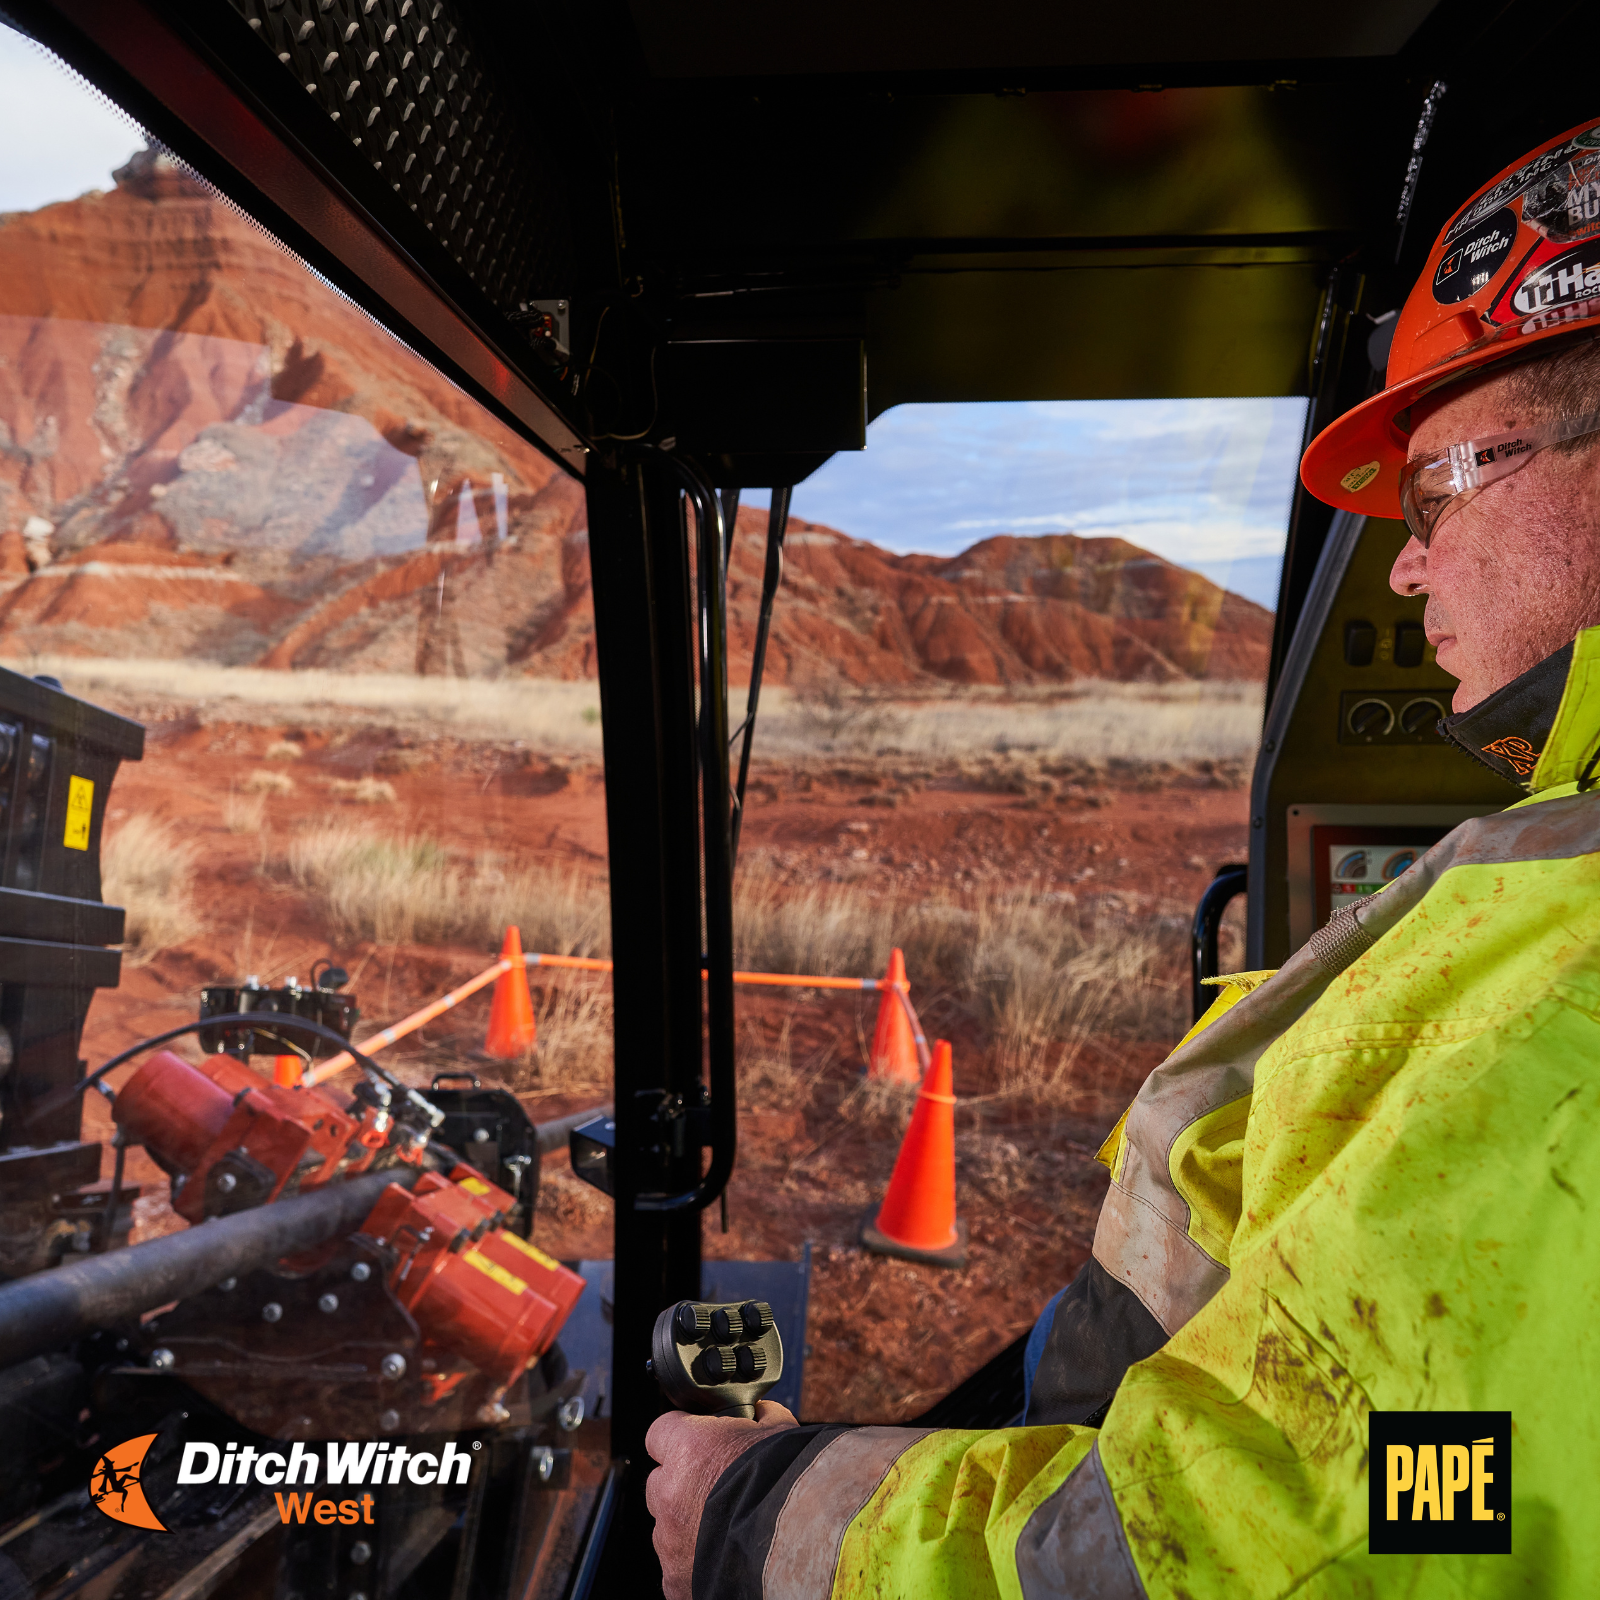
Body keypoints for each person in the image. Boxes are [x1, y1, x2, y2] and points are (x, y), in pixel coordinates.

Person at [646, 118, 1600, 1598]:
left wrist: (764, 1516)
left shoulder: (1570, 990)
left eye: (1435, 491)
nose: (1406, 564)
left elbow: (1332, 1529)